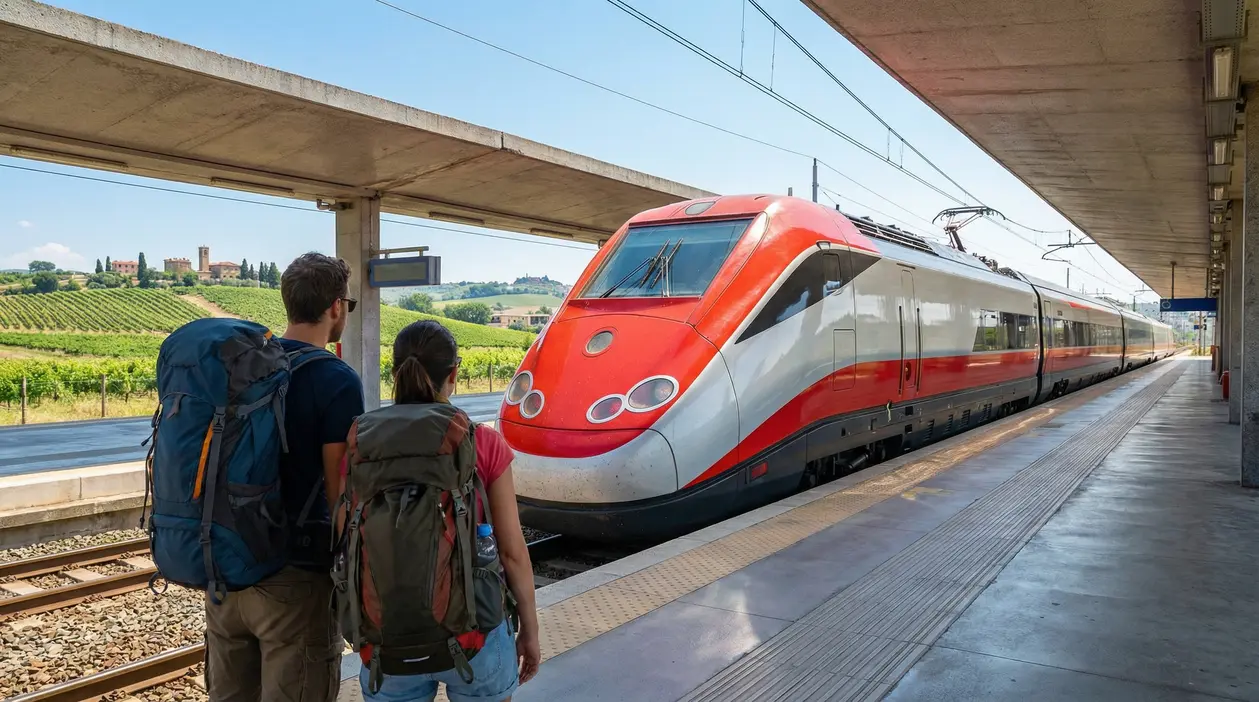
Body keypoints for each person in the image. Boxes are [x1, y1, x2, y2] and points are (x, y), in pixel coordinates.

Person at [204, 253, 365, 702]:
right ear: (336, 306)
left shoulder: (242, 366)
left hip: (225, 572)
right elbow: (341, 495)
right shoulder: (336, 379)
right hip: (292, 580)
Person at [353, 319, 541, 702]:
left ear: (395, 372)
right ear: (453, 373)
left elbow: (346, 537)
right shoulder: (482, 441)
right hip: (476, 635)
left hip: (386, 641)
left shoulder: (360, 442)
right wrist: (530, 630)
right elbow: (511, 553)